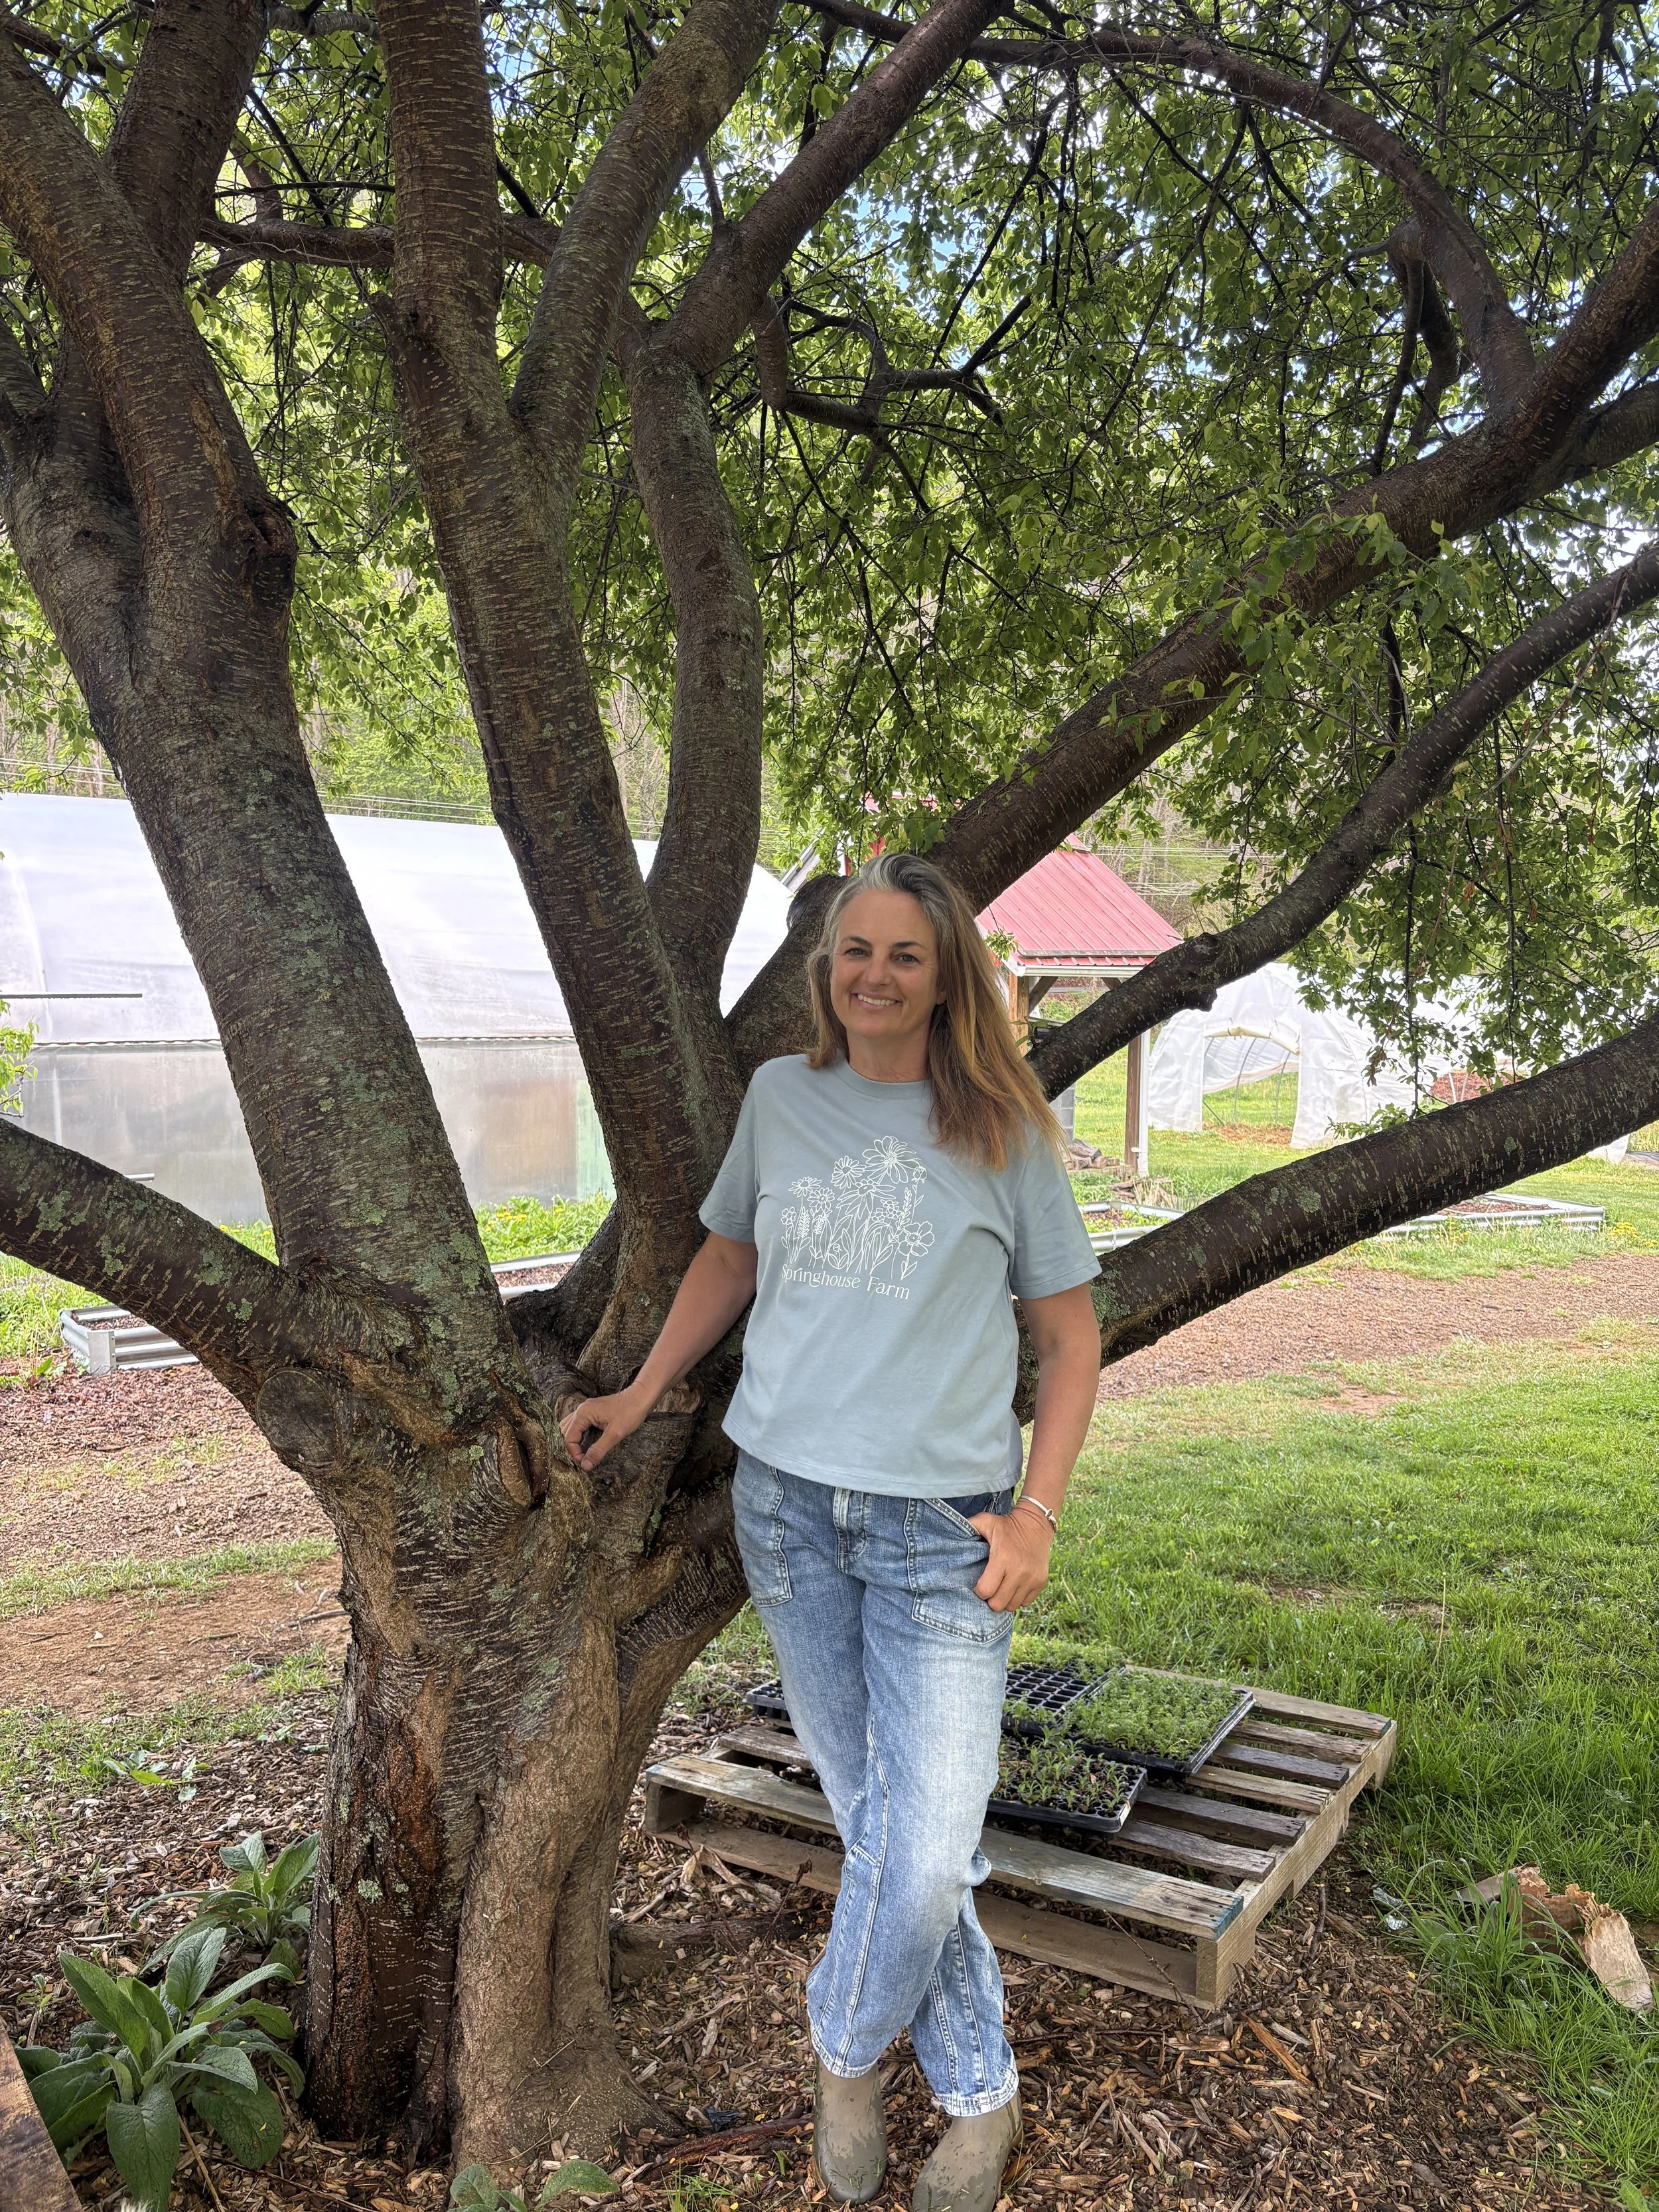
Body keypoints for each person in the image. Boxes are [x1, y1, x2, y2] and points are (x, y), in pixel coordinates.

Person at [560, 850, 1103, 2212]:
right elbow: (730, 1257)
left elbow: (1069, 1338)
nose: (875, 974)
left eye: (905, 954)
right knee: (883, 1826)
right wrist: (639, 1393)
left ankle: (844, 2051)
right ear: (826, 967)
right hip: (788, 1512)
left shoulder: (1004, 1130)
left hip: (942, 1534)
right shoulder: (780, 1097)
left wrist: (1038, 1511)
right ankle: (977, 2097)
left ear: (946, 978)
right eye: (855, 950)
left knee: (921, 1849)